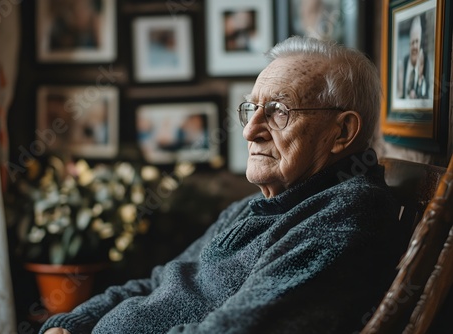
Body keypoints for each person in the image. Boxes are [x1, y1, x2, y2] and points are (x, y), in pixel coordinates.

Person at [40, 36, 402, 334]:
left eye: (278, 111)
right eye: (251, 109)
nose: (249, 130)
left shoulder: (344, 216)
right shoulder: (258, 205)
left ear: (342, 132)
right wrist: (72, 324)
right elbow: (158, 281)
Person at [397, 15, 430, 99]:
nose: (415, 46)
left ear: (420, 43)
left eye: (417, 41)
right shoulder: (404, 63)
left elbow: (427, 94)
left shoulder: (425, 61)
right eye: (412, 42)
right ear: (409, 44)